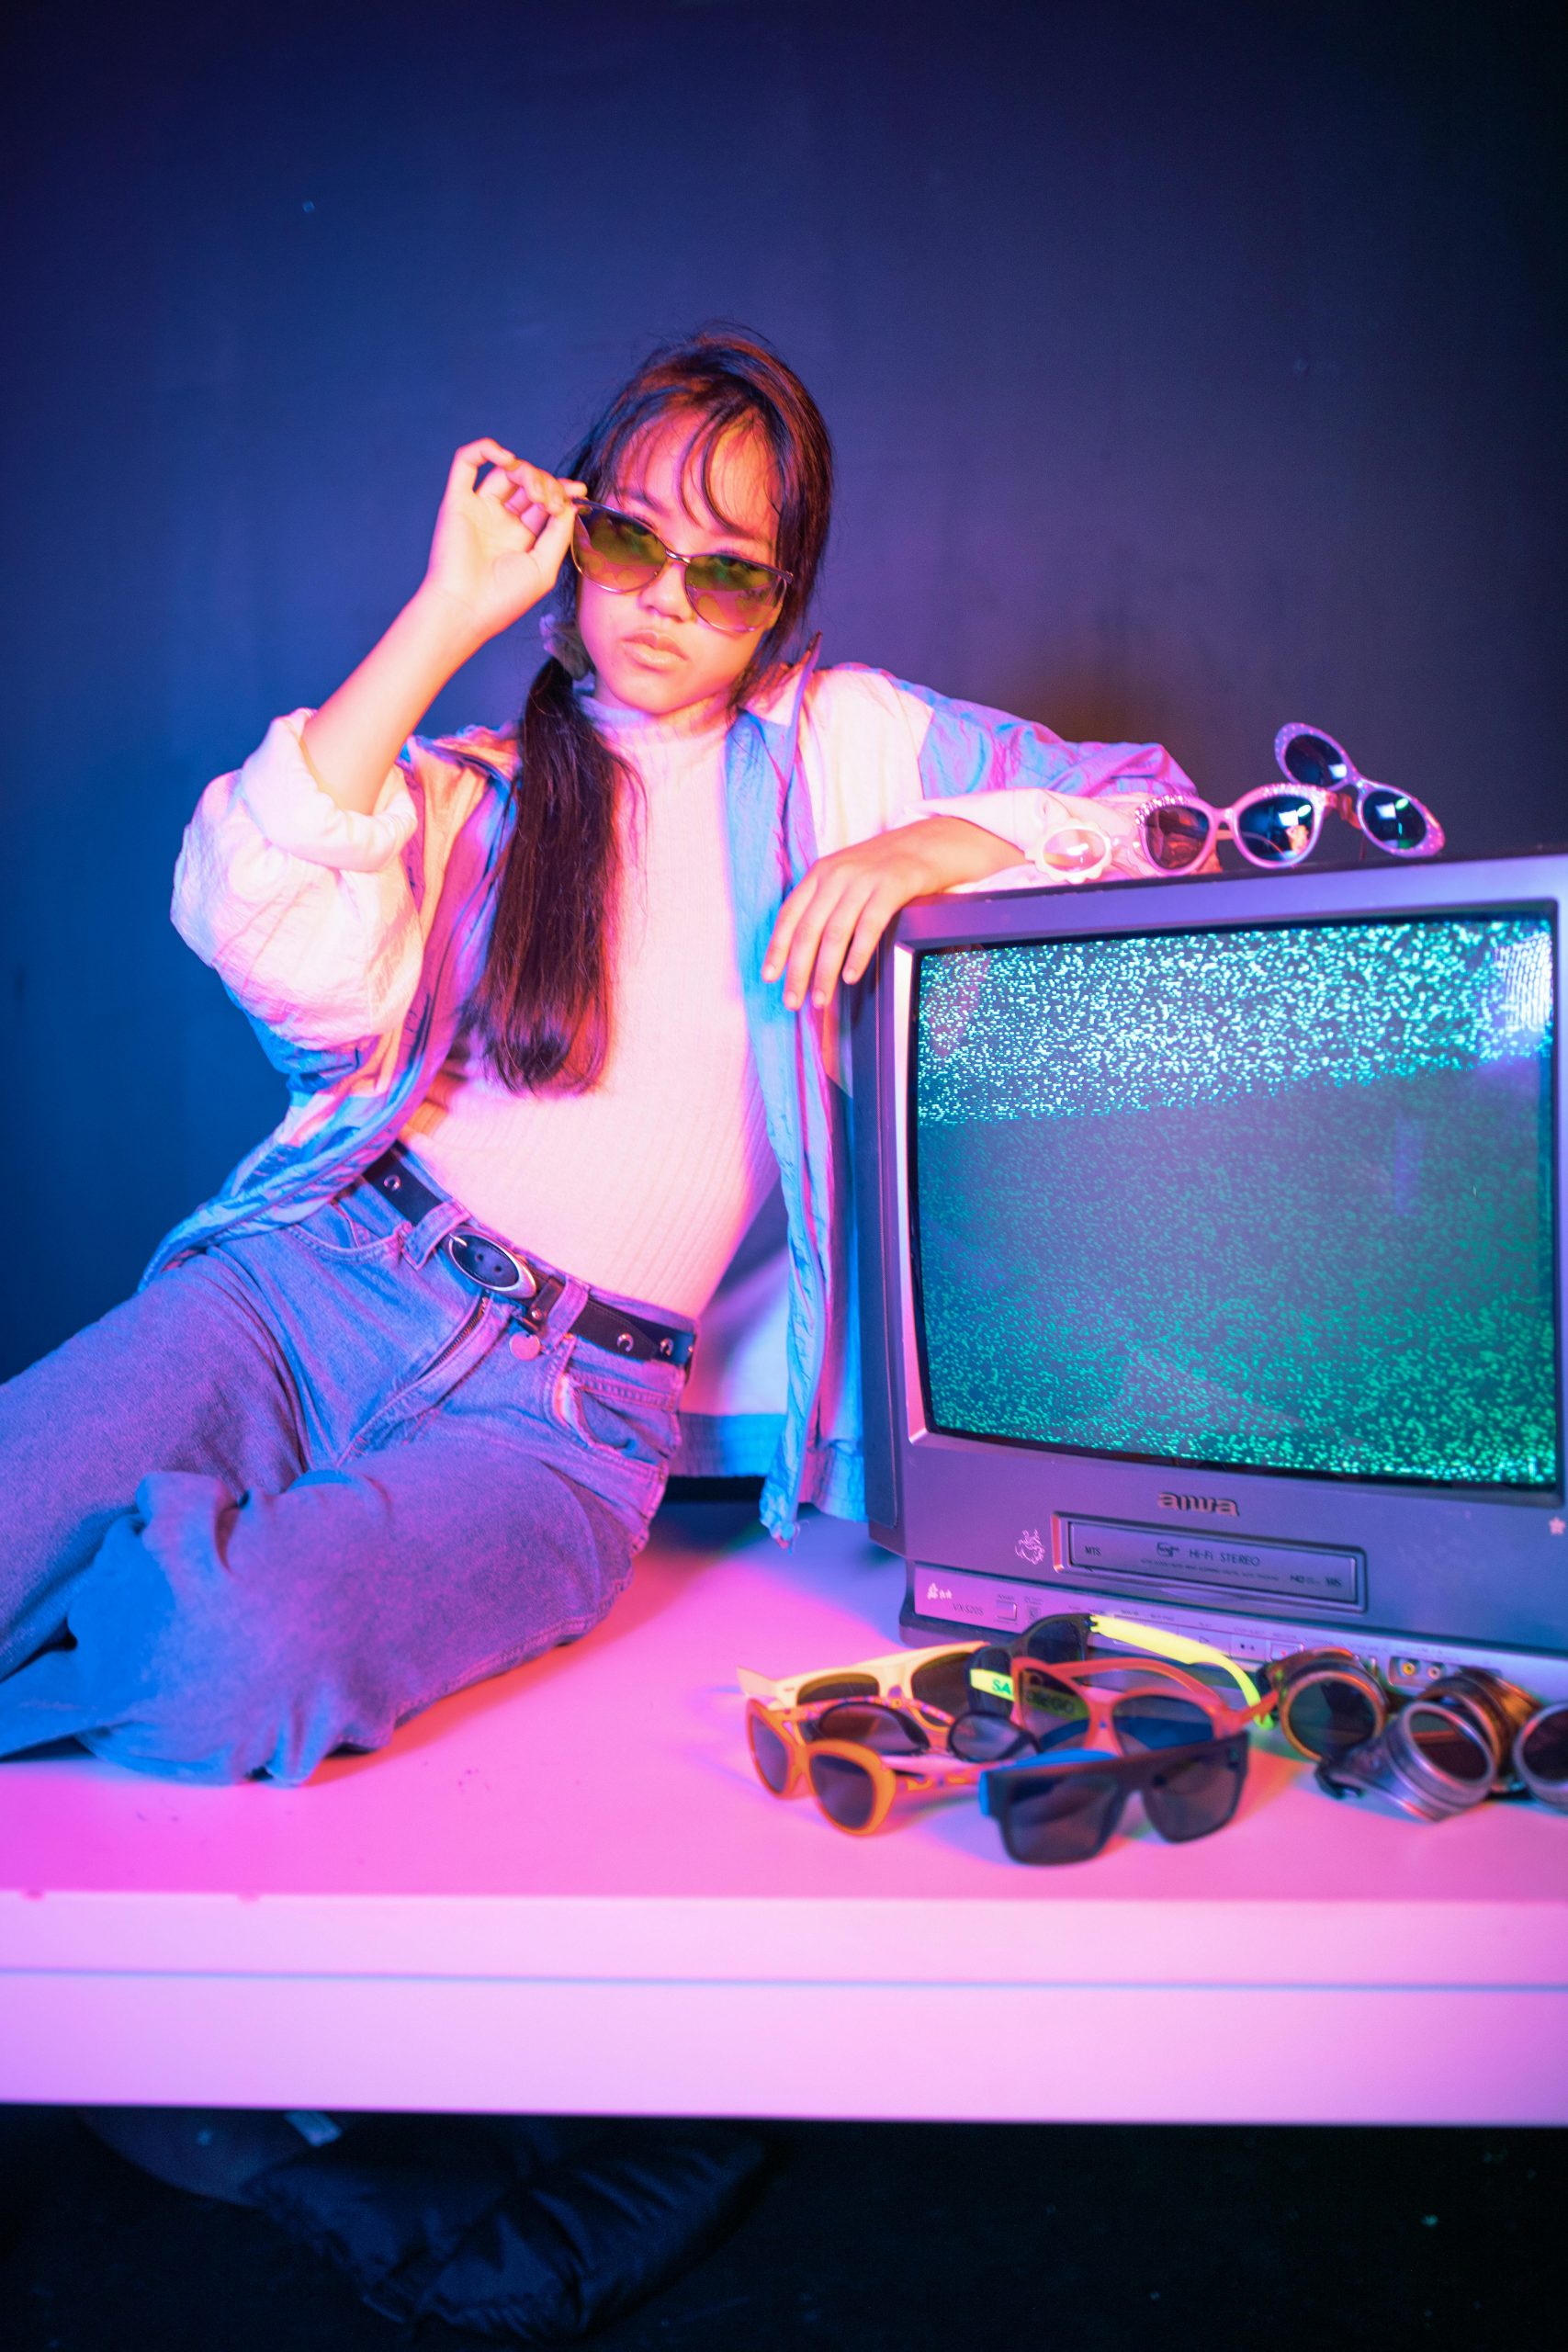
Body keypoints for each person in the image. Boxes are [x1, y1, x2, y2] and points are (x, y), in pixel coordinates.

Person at [0, 328, 1196, 1783]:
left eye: (728, 569)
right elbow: (246, 910)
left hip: (563, 1431)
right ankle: (140, 1545)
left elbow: (1155, 818)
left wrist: (938, 842)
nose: (666, 599)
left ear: (781, 602)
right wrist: (449, 611)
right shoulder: (472, 793)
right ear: (575, 534)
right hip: (311, 1290)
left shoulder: (857, 750)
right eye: (631, 537)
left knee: (232, 1668)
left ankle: (160, 1573)